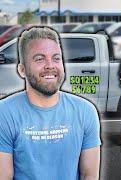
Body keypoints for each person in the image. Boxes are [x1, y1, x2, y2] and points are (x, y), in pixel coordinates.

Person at [0, 27, 101, 179]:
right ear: (22, 70)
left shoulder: (86, 111)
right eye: (39, 59)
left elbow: (89, 175)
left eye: (56, 58)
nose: (50, 65)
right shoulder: (4, 113)